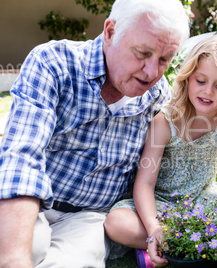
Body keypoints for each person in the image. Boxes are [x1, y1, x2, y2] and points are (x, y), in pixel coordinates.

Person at [0, 0, 190, 267]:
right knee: (24, 250)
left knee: (75, 261)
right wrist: (14, 258)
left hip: (90, 217)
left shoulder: (158, 97)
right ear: (110, 32)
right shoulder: (53, 63)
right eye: (142, 53)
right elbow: (23, 157)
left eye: (163, 60)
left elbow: (166, 168)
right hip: (32, 202)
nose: (152, 72)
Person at [104, 34, 217, 267]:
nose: (208, 92)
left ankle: (165, 247)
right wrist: (154, 227)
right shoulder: (165, 121)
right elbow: (143, 185)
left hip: (204, 204)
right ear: (188, 78)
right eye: (200, 81)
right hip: (161, 206)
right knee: (117, 222)